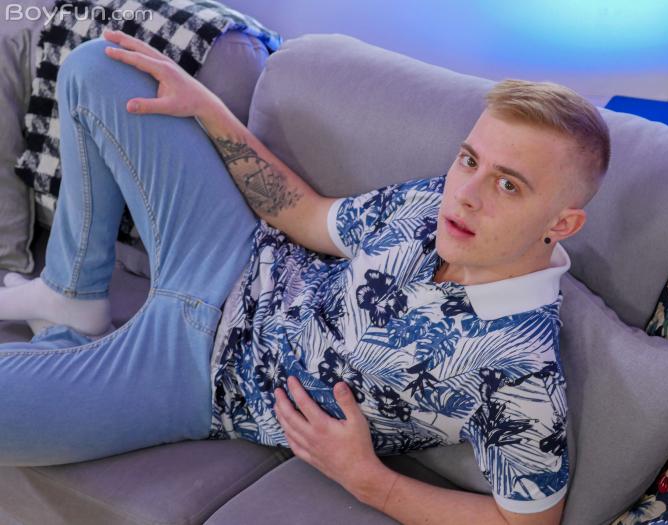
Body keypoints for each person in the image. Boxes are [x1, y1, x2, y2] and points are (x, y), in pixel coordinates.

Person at [0, 29, 610, 525]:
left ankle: (71, 343)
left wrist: (370, 482)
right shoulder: (435, 203)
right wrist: (207, 110)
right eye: (469, 159)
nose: (467, 194)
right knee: (102, 66)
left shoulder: (522, 373)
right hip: (228, 250)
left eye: (508, 185)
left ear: (563, 222)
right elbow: (308, 216)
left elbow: (528, 523)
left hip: (196, 376)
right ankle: (71, 296)